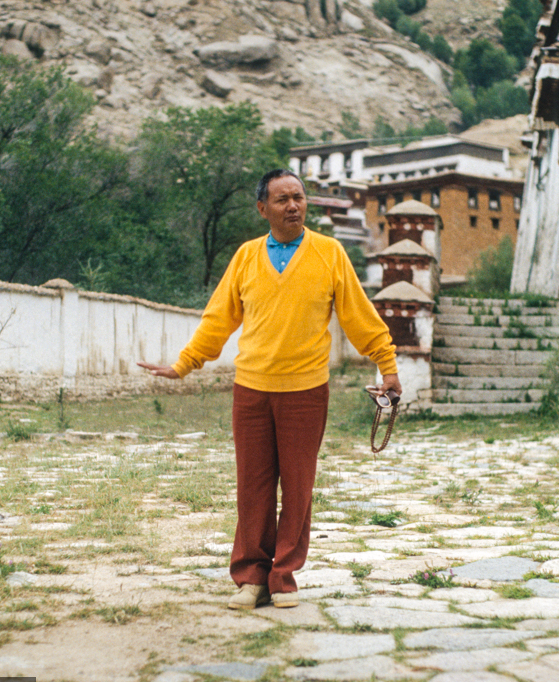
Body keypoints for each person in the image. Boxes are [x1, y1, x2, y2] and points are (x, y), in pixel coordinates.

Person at [138, 168, 402, 610]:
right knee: (254, 486)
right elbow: (218, 319)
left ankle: (283, 577)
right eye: (281, 200)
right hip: (252, 390)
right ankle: (251, 578)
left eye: (298, 197)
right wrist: (183, 366)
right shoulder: (245, 256)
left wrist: (387, 364)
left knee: (298, 487)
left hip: (306, 390)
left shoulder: (329, 253)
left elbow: (359, 315)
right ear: (263, 209)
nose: (293, 206)